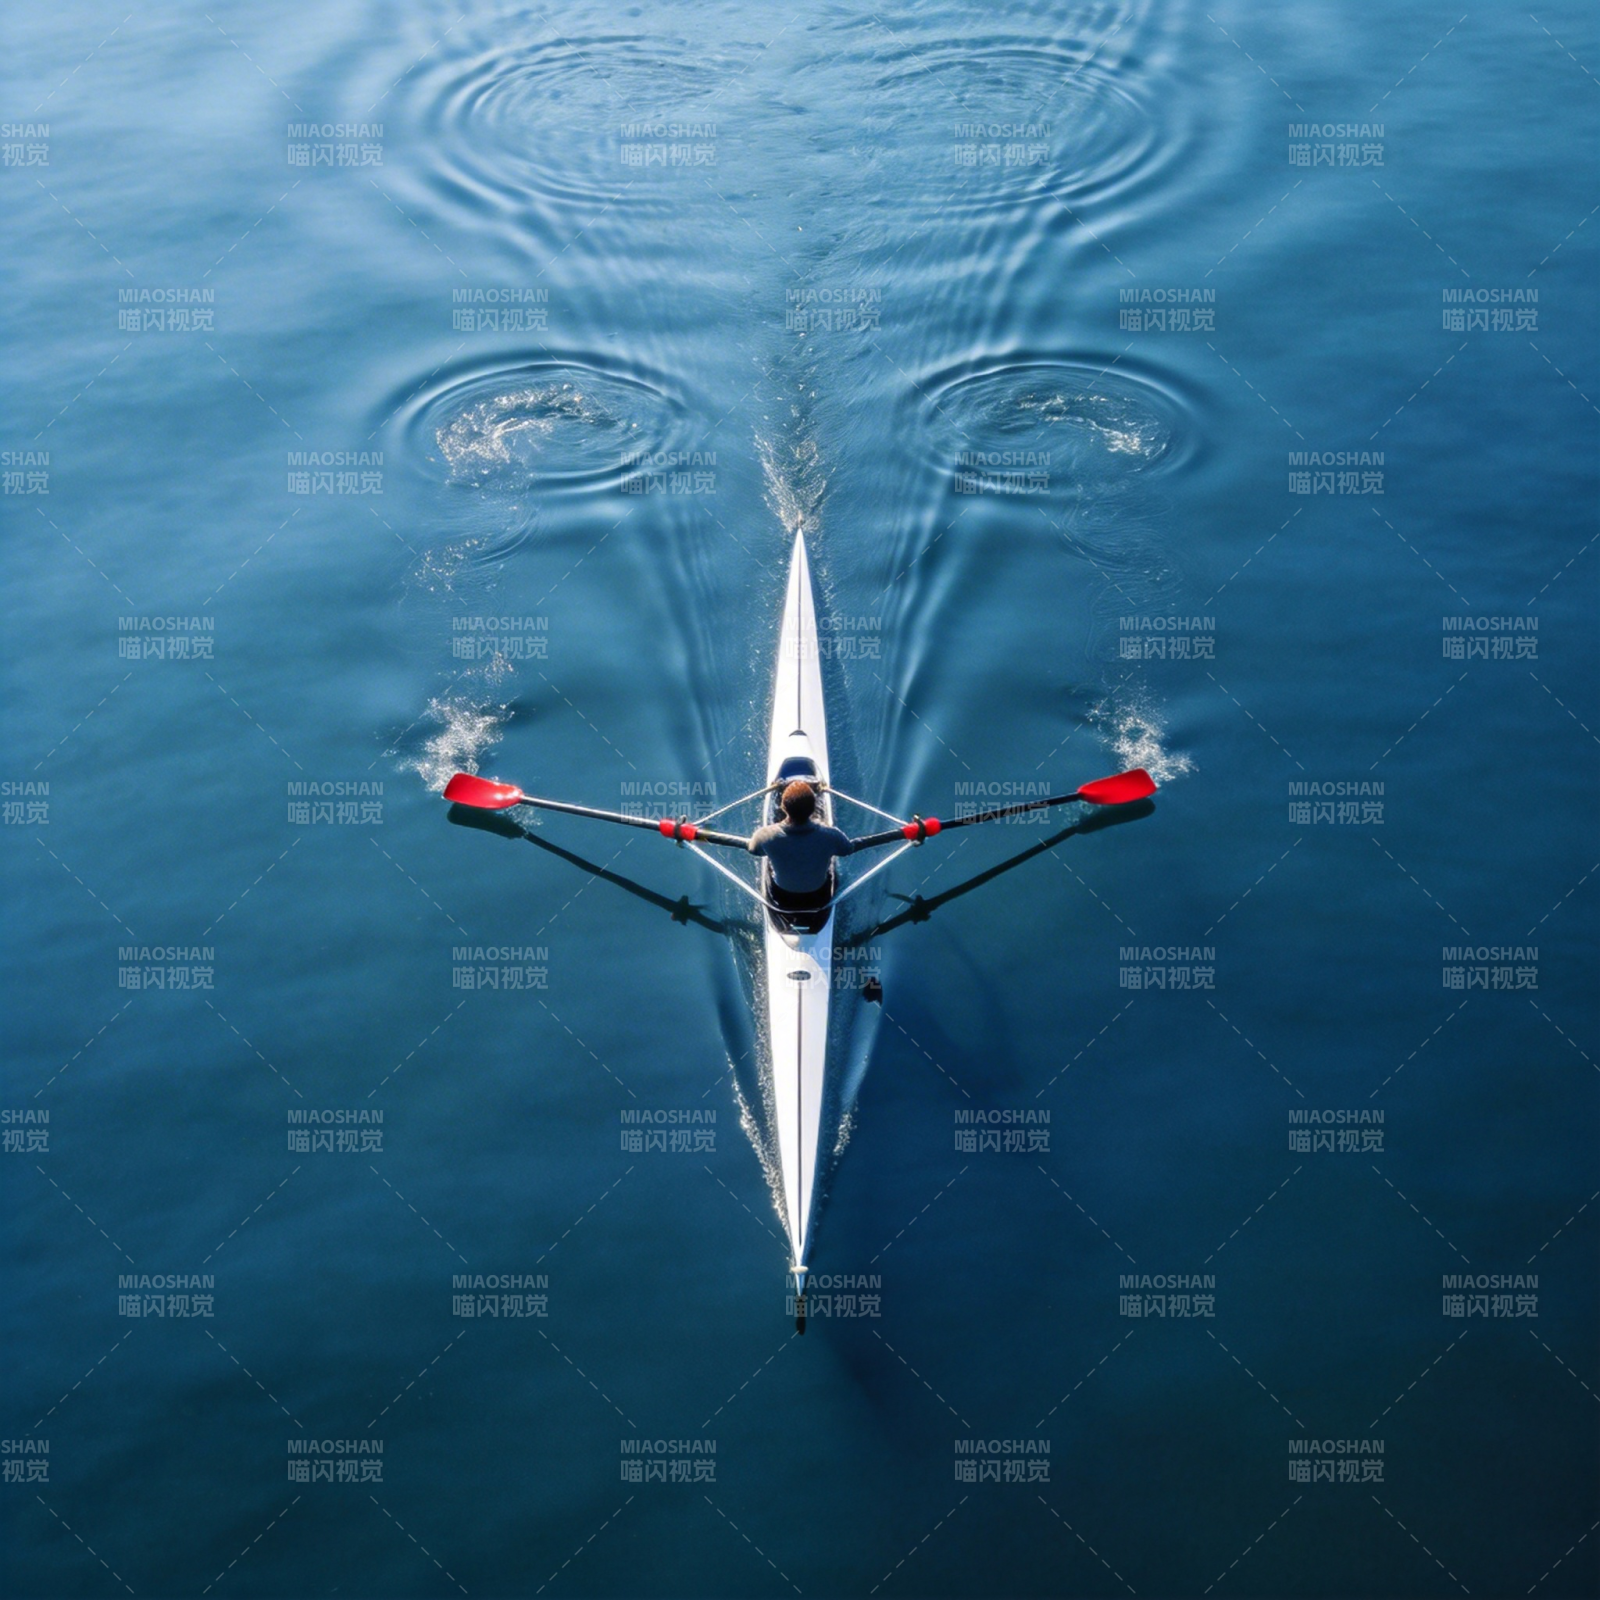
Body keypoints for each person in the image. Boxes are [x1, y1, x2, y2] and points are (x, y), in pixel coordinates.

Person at [747, 780, 855, 906]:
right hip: (819, 895)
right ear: (813, 809)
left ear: (783, 806)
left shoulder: (764, 835)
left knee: (768, 854)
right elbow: (848, 849)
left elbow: (753, 850)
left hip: (781, 895)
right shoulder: (832, 835)